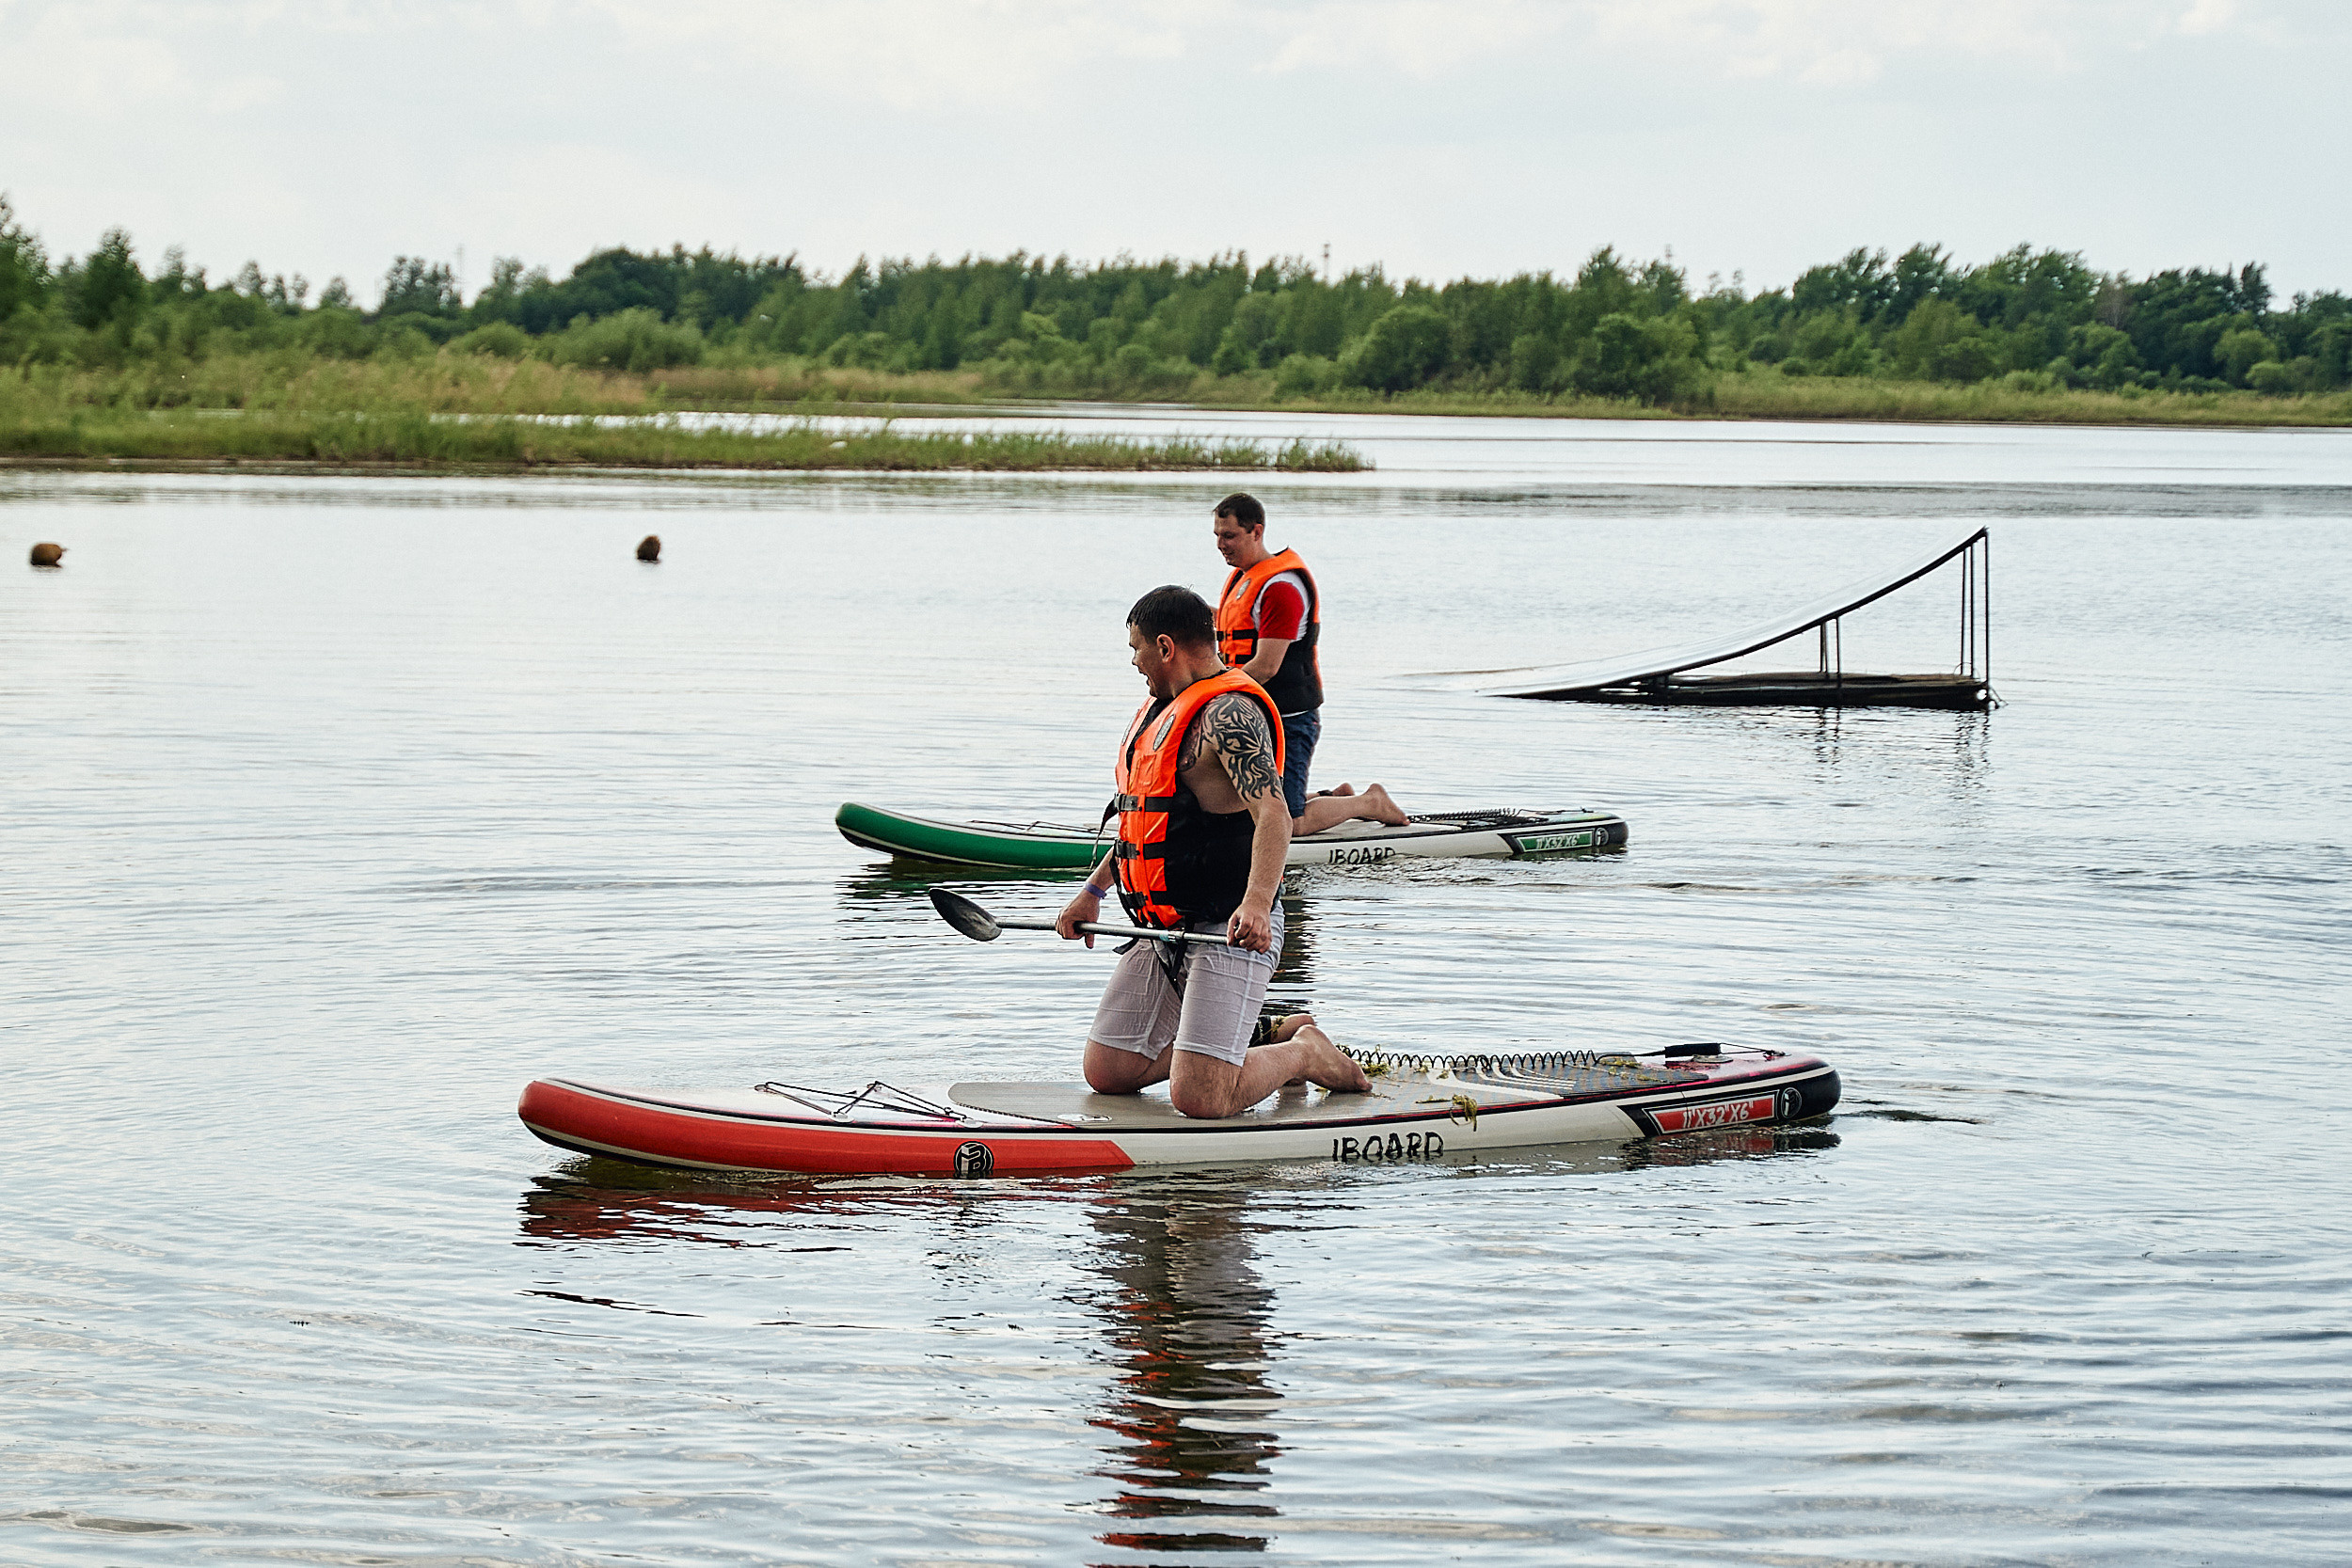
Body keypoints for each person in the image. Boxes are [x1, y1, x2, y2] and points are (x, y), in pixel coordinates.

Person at [1057, 585, 1373, 1119]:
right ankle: (1236, 1045)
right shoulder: (1163, 713)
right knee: (1109, 1071)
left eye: (1135, 650)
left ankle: (1302, 1053)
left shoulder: (1229, 715)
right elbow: (1149, 827)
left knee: (1201, 1099)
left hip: (1230, 922)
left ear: (1165, 646)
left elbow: (1274, 814)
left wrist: (1256, 902)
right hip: (1161, 925)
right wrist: (1093, 892)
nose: (1134, 663)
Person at [1209, 492, 1409, 835]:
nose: (1220, 544)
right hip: (1259, 711)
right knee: (1250, 805)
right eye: (1216, 536)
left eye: (1229, 536)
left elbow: (1267, 666)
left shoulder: (1281, 588)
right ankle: (1336, 797)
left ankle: (1368, 803)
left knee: (1288, 822)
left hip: (1290, 716)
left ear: (1256, 532)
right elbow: (1232, 629)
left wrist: (1209, 690)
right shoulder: (1244, 578)